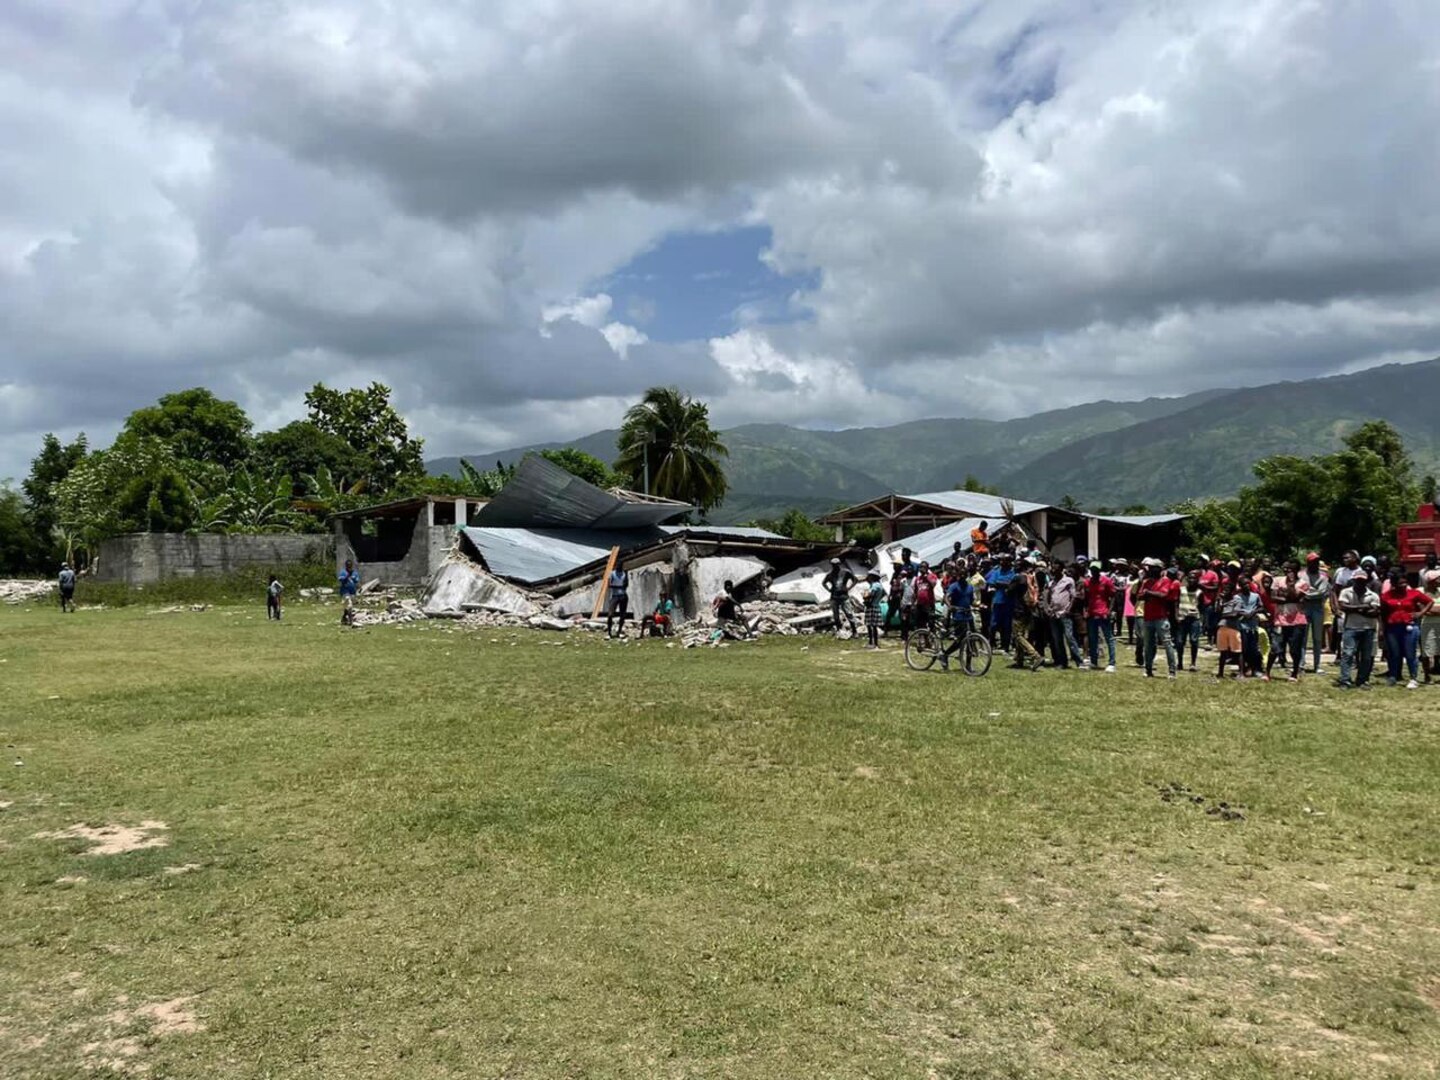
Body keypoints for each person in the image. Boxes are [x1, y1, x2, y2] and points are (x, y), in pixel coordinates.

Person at [1379, 568, 1431, 688]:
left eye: (1404, 583)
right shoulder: (1386, 596)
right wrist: (1382, 629)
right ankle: (1393, 676)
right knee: (1394, 653)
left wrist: (1420, 613)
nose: (1403, 585)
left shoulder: (1414, 593)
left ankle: (1413, 677)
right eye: (1400, 583)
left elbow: (1429, 602)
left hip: (1409, 627)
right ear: (1393, 584)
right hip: (1392, 627)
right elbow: (1383, 613)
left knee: (1410, 653)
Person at [1336, 570, 1380, 689]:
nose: (1360, 582)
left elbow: (1374, 612)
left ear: (1366, 581)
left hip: (1368, 628)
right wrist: (1363, 607)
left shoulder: (1373, 595)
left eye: (1362, 580)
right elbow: (1343, 607)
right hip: (1351, 627)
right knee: (1348, 654)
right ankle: (1345, 680)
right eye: (1358, 580)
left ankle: (1362, 680)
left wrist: (1353, 609)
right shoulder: (1346, 592)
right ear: (1354, 580)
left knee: (1366, 656)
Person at [1137, 559, 1179, 678]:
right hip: (1148, 617)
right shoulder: (1146, 581)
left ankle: (1172, 671)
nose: (1149, 569)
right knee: (1148, 644)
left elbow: (1163, 595)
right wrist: (1150, 594)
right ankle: (1148, 669)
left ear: (1159, 569)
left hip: (1161, 617)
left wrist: (1149, 593)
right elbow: (1140, 596)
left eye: (1152, 567)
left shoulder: (1165, 580)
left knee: (1167, 643)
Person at [1267, 562, 1307, 681]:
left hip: (1297, 620)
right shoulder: (1277, 580)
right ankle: (1267, 672)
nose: (1287, 570)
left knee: (1295, 649)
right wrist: (1286, 597)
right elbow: (1273, 597)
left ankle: (1294, 673)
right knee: (1275, 647)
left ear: (1297, 570)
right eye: (1285, 568)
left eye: (1291, 568)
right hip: (1280, 619)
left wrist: (1290, 586)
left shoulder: (1303, 583)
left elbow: (1295, 597)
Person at [1044, 564, 1083, 669]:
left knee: (1069, 637)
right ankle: (1062, 662)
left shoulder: (1068, 581)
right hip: (1054, 614)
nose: (1053, 571)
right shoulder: (1051, 583)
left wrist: (1068, 610)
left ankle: (1079, 661)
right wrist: (1048, 607)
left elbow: (1073, 596)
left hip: (1064, 614)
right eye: (1052, 569)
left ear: (1061, 570)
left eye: (1056, 569)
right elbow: (1048, 595)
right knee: (1057, 639)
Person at [939, 569, 976, 671]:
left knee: (971, 639)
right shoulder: (954, 586)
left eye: (964, 575)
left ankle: (968, 665)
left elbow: (971, 601)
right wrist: (950, 606)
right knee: (960, 641)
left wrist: (979, 605)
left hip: (968, 615)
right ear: (958, 576)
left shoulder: (970, 587)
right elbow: (946, 597)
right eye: (960, 575)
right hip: (958, 616)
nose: (962, 577)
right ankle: (945, 654)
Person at [1300, 552, 1331, 673]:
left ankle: (1317, 665)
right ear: (1308, 563)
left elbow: (1322, 592)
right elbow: (1300, 590)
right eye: (1313, 562)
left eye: (1317, 562)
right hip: (1304, 608)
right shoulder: (1301, 575)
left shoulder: (1323, 577)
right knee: (1303, 637)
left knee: (1317, 638)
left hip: (1318, 608)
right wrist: (1311, 593)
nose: (1315, 564)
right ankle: (1301, 664)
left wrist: (1308, 593)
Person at [1084, 562, 1117, 672]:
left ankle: (1112, 662)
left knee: (1109, 638)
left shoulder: (1106, 581)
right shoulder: (1087, 582)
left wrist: (1110, 610)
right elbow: (1087, 597)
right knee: (1093, 639)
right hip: (1092, 613)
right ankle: (1094, 661)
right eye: (1092, 569)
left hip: (1103, 613)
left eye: (1096, 569)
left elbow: (1113, 596)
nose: (1094, 571)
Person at [986, 554, 1017, 651]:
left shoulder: (1013, 572)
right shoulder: (996, 572)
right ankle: (991, 644)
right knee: (994, 624)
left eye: (1004, 560)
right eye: (1001, 560)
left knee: (1007, 625)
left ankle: (1006, 645)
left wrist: (1001, 584)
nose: (1002, 562)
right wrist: (1006, 584)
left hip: (1009, 602)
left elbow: (1013, 584)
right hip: (997, 601)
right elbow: (992, 583)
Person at [822, 558, 858, 637]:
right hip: (834, 597)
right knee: (836, 615)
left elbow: (855, 579)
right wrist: (829, 590)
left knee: (849, 613)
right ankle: (839, 630)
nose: (835, 566)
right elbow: (824, 583)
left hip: (844, 596)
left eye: (836, 565)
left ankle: (854, 631)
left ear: (839, 564)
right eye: (833, 565)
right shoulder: (830, 574)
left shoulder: (845, 572)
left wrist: (849, 588)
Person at [1420, 552, 1440, 684]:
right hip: (1427, 625)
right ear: (1431, 581)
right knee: (1427, 651)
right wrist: (1431, 610)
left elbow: (1427, 609)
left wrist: (1430, 610)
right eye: (1438, 579)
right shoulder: (1420, 592)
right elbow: (1422, 610)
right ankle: (1427, 676)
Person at [1175, 575, 1201, 672]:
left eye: (1194, 578)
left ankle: (1193, 663)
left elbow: (1201, 606)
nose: (1192, 580)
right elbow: (1176, 603)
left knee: (1194, 640)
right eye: (1190, 578)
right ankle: (1180, 662)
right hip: (1182, 618)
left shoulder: (1199, 592)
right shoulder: (1181, 590)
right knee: (1180, 641)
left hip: (1194, 619)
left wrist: (1200, 619)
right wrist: (1176, 615)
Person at [605, 563, 631, 638]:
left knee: (622, 615)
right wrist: (619, 587)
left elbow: (626, 585)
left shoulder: (624, 574)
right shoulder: (612, 574)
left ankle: (619, 631)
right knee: (610, 614)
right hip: (615, 596)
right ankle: (609, 632)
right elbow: (609, 585)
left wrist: (626, 574)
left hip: (623, 596)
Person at [912, 562, 939, 632]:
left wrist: (926, 577)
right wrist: (912, 604)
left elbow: (933, 584)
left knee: (931, 622)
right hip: (920, 604)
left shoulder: (932, 576)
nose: (922, 568)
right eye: (921, 567)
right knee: (920, 623)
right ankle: (923, 639)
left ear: (927, 568)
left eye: (924, 567)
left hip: (929, 604)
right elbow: (915, 592)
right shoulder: (917, 579)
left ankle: (933, 639)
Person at [862, 571, 885, 650]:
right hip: (876, 606)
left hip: (872, 607)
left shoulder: (875, 585)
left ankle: (873, 643)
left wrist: (866, 597)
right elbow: (883, 593)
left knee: (871, 625)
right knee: (873, 626)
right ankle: (874, 643)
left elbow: (870, 594)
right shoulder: (879, 585)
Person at [338, 559, 360, 626]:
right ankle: (351, 621)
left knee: (348, 607)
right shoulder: (343, 572)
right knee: (349, 605)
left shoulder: (355, 573)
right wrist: (347, 576)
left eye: (350, 566)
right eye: (348, 566)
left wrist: (359, 587)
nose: (349, 567)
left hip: (352, 592)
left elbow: (356, 581)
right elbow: (341, 580)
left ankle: (344, 617)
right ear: (346, 566)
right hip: (345, 591)